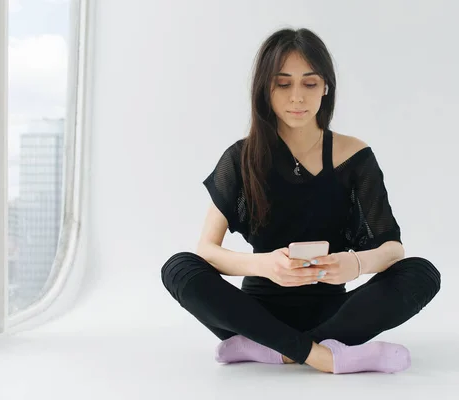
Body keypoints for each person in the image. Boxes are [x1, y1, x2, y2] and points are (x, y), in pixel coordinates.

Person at [161, 27, 441, 374]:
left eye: (309, 84)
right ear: (266, 89)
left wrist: (352, 265)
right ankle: (323, 356)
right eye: (283, 83)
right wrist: (265, 266)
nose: (297, 97)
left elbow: (392, 250)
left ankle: (271, 350)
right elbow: (207, 250)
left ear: (326, 87)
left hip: (338, 314)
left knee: (422, 273)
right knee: (178, 267)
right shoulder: (241, 157)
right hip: (253, 314)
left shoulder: (354, 155)